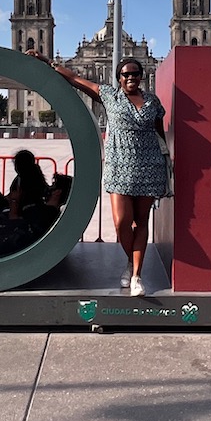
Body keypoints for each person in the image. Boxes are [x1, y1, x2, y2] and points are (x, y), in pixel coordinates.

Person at [27, 50, 166, 296]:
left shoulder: (153, 102)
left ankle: (136, 275)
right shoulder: (109, 96)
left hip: (149, 167)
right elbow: (75, 79)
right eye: (126, 74)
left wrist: (166, 161)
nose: (131, 77)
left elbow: (160, 133)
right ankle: (130, 260)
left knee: (142, 222)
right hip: (118, 167)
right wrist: (47, 62)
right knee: (122, 222)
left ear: (141, 76)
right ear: (119, 78)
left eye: (135, 73)